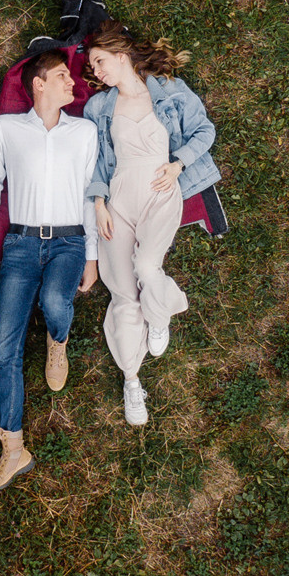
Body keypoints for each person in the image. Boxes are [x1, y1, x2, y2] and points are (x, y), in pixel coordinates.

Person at [0, 48, 99, 492]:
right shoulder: (6, 129)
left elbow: (90, 195)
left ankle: (57, 339)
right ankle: (13, 448)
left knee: (55, 301)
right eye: (63, 76)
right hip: (20, 246)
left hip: (69, 241)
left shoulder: (85, 132)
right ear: (38, 83)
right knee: (5, 352)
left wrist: (93, 256)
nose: (73, 83)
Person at [82, 22, 219, 425]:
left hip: (161, 190)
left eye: (100, 62)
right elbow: (94, 163)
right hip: (119, 195)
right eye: (93, 66)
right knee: (123, 292)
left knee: (147, 267)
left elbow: (204, 131)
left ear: (121, 55)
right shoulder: (98, 108)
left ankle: (161, 316)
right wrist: (99, 201)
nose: (97, 72)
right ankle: (131, 379)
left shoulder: (170, 90)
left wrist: (178, 165)